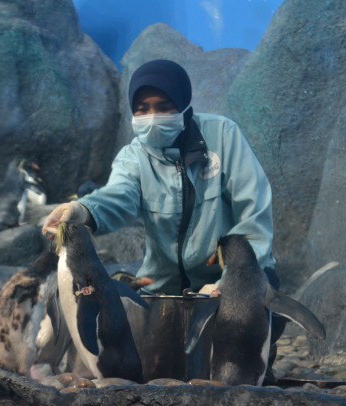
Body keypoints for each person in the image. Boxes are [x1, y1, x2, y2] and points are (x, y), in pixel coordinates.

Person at [42, 59, 284, 382]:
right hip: (163, 291)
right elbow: (119, 196)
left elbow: (254, 211)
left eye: (164, 106)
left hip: (228, 281)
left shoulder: (223, 136)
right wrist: (83, 211)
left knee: (246, 335)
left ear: (183, 105)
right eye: (142, 108)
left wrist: (232, 281)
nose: (152, 116)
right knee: (148, 366)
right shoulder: (134, 156)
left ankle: (253, 363)